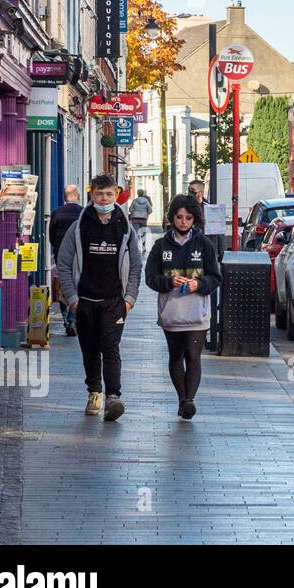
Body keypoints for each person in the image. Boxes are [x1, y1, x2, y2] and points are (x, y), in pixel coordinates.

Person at [55, 174, 142, 422]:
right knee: (90, 350)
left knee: (110, 348)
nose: (104, 199)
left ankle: (113, 396)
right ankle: (94, 392)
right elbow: (64, 263)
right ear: (91, 195)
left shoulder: (124, 228)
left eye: (109, 194)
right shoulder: (80, 226)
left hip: (115, 301)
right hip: (85, 301)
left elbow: (136, 265)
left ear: (117, 195)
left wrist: (129, 299)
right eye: (99, 194)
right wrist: (72, 298)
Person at [144, 194, 221, 420]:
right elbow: (150, 277)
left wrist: (199, 283)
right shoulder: (160, 246)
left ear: (194, 220)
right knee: (176, 355)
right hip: (172, 313)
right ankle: (181, 397)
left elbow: (216, 277)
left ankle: (190, 400)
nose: (184, 222)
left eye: (188, 218)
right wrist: (168, 282)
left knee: (193, 355)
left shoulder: (204, 244)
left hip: (197, 312)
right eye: (179, 217)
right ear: (172, 218)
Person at [48, 185, 83, 336]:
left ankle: (65, 319)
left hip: (60, 254)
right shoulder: (83, 213)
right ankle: (72, 319)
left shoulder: (56, 213)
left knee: (63, 285)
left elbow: (51, 236)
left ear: (64, 197)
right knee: (77, 284)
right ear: (78, 196)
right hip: (79, 255)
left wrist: (57, 248)